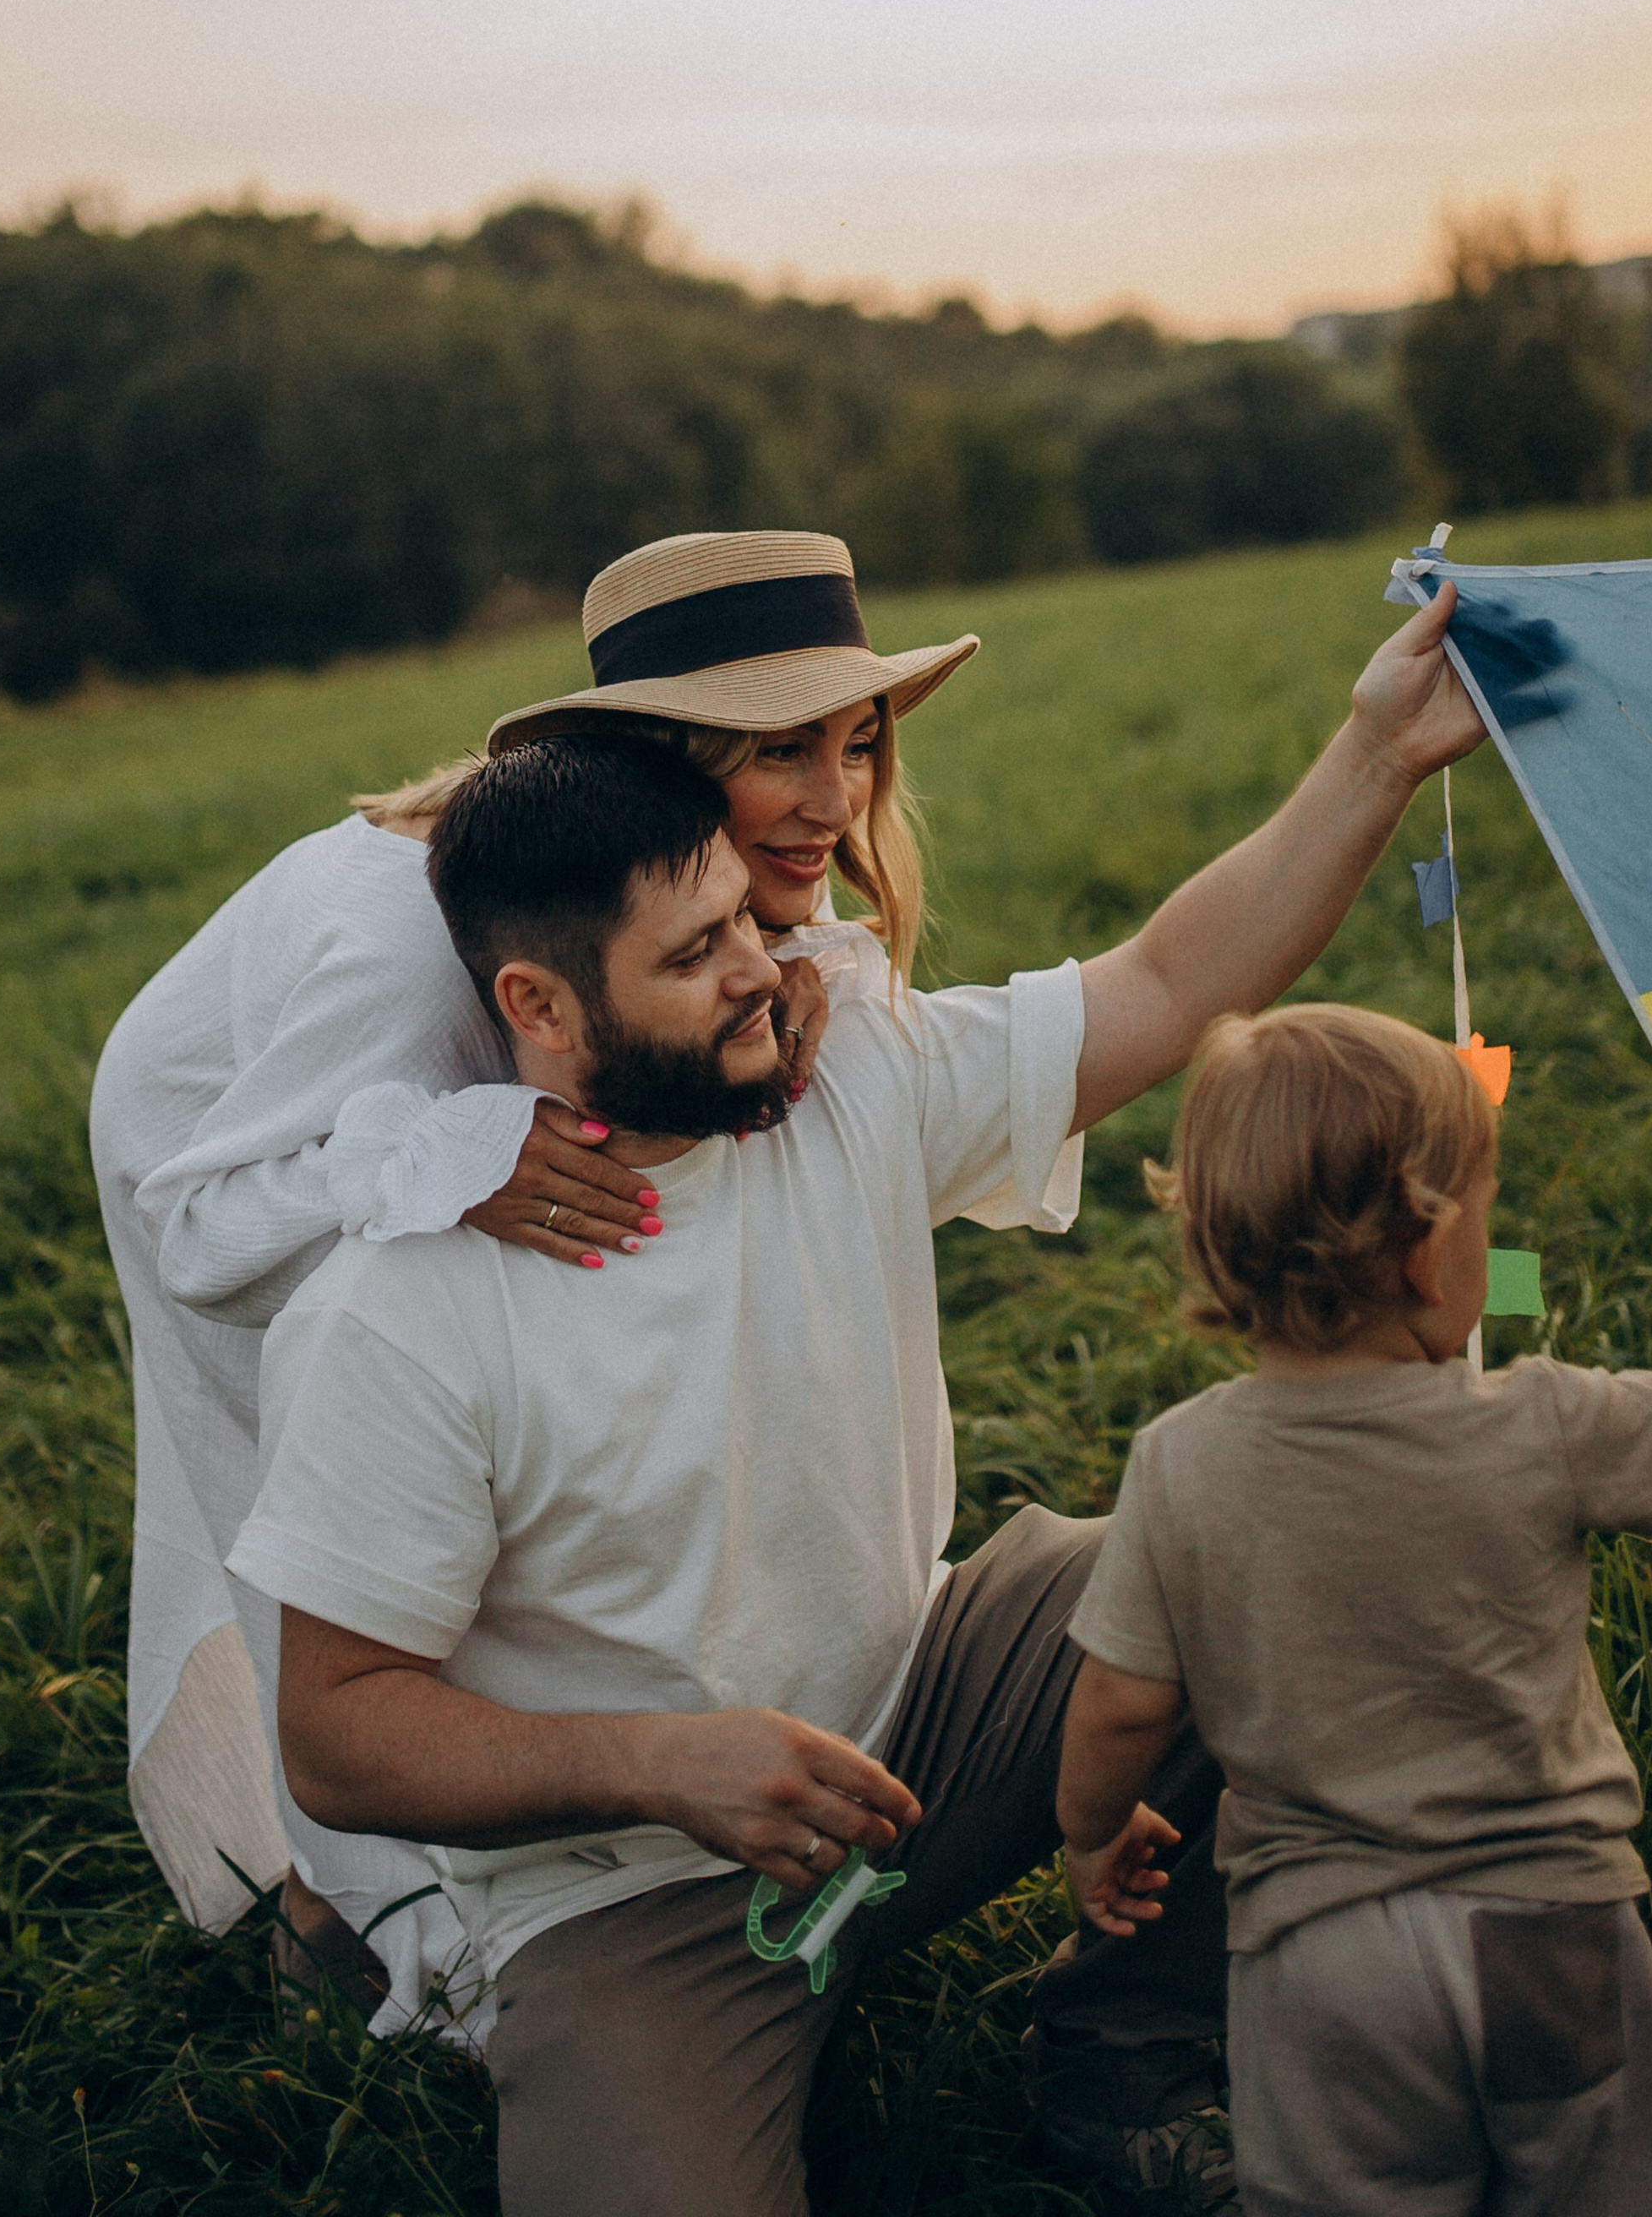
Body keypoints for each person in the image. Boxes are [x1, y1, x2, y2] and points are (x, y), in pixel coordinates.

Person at [231, 581, 1482, 2217]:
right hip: (631, 1896)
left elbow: (1174, 982)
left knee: (1258, 1558)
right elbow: (334, 1731)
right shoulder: (408, 1301)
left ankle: (1121, 2049)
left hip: (925, 1716)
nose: (762, 973)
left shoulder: (845, 1067)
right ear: (536, 1007)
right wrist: (662, 1766)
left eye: (747, 925)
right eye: (696, 955)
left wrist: (1378, 751)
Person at [89, 530, 973, 2014]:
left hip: (432, 1074)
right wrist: (455, 1151)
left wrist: (794, 975)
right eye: (782, 749)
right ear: (666, 760)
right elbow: (207, 1236)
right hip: (220, 1143)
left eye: (860, 742)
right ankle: (351, 1904)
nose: (836, 800)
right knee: (337, 1516)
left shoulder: (687, 878)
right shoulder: (407, 954)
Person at [1057, 1003, 1652, 2217]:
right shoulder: (1544, 1422)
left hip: (1322, 1962)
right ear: (1430, 1252)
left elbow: (1119, 1705)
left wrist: (1092, 1834)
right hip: (1554, 1924)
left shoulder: (1178, 1464)